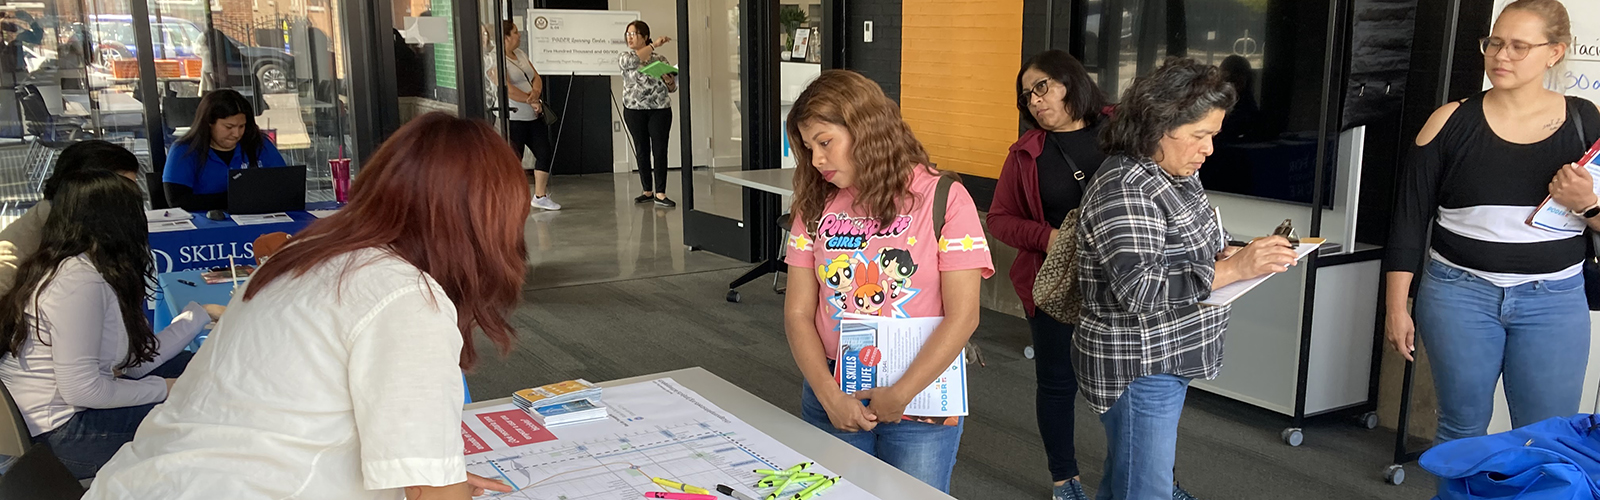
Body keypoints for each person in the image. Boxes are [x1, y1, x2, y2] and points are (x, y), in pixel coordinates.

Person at [84, 112, 527, 500]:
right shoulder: (405, 296)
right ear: (483, 222)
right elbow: (430, 491)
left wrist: (430, 471)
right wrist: (435, 481)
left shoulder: (306, 253)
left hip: (149, 481)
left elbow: (296, 410)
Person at [1384, 0, 1598, 469]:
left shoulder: (1587, 122)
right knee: (1460, 429)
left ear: (1555, 53)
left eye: (1520, 46)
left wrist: (1589, 205)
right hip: (1458, 295)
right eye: (1495, 42)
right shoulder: (1449, 121)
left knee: (1547, 436)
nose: (1502, 55)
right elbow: (1408, 220)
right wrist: (1397, 306)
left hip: (1554, 300)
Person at [1075, 58, 1296, 500]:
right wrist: (1234, 269)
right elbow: (1140, 288)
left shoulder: (1173, 172)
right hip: (1140, 364)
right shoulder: (1128, 188)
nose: (1209, 149)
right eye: (1200, 136)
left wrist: (1234, 252)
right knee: (1146, 488)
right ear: (1159, 126)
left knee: (1126, 473)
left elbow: (1192, 241)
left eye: (1213, 135)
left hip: (1165, 355)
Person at [782, 70, 993, 493]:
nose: (817, 159)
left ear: (866, 129)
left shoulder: (943, 197)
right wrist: (827, 393)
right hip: (832, 388)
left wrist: (902, 393)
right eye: (808, 148)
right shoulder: (815, 202)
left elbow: (964, 315)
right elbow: (798, 312)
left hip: (921, 391)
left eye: (825, 142)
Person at [0, 169, 225, 479]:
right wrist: (168, 388)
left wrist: (201, 313)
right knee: (203, 411)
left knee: (197, 367)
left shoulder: (75, 265)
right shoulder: (77, 282)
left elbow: (132, 362)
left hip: (62, 417)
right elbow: (84, 391)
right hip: (58, 435)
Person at [987, 49, 1108, 500]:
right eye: (1026, 96)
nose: (1034, 101)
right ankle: (1065, 480)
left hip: (1123, 283)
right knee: (1058, 385)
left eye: (1041, 87)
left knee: (1138, 388)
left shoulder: (1121, 131)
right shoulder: (1026, 153)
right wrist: (1048, 237)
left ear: (1069, 81)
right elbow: (999, 219)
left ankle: (1154, 478)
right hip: (1055, 285)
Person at [0, 140, 142, 294]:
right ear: (88, 188)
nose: (131, 204)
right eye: (123, 193)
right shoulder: (53, 224)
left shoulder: (76, 220)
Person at [162, 89, 288, 212]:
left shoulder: (260, 144)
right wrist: (236, 198)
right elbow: (178, 201)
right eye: (229, 127)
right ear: (209, 122)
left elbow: (285, 185)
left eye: (241, 126)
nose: (236, 133)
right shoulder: (184, 151)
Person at [491, 20, 560, 211]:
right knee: (514, 159)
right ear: (505, 38)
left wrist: (536, 92)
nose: (519, 35)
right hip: (513, 118)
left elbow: (536, 76)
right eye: (515, 33)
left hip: (533, 116)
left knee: (544, 152)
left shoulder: (520, 54)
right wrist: (531, 100)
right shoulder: (497, 59)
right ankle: (505, 199)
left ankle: (540, 196)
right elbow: (507, 90)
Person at [619, 20, 678, 207]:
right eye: (627, 34)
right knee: (641, 149)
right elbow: (635, 60)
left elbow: (672, 88)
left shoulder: (660, 60)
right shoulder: (625, 57)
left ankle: (660, 193)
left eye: (634, 34)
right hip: (634, 110)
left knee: (660, 150)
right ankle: (647, 190)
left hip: (659, 110)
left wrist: (669, 81)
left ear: (644, 37)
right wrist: (654, 44)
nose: (629, 37)